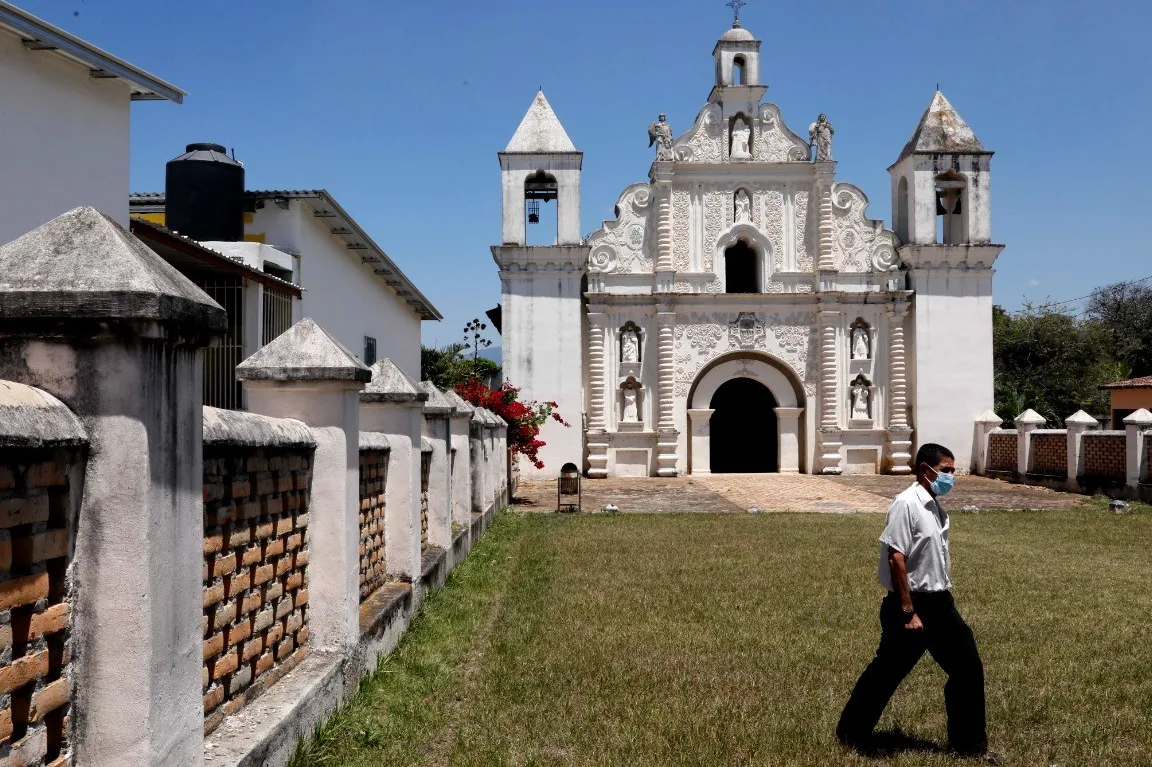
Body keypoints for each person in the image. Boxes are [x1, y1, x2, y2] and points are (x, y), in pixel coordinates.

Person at [836, 443, 1000, 763]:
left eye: (953, 470)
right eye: (947, 470)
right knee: (886, 672)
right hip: (911, 605)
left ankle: (969, 748)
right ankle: (851, 734)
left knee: (967, 669)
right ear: (926, 470)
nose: (952, 476)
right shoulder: (906, 503)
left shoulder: (934, 506)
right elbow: (896, 557)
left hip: (940, 604)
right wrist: (908, 610)